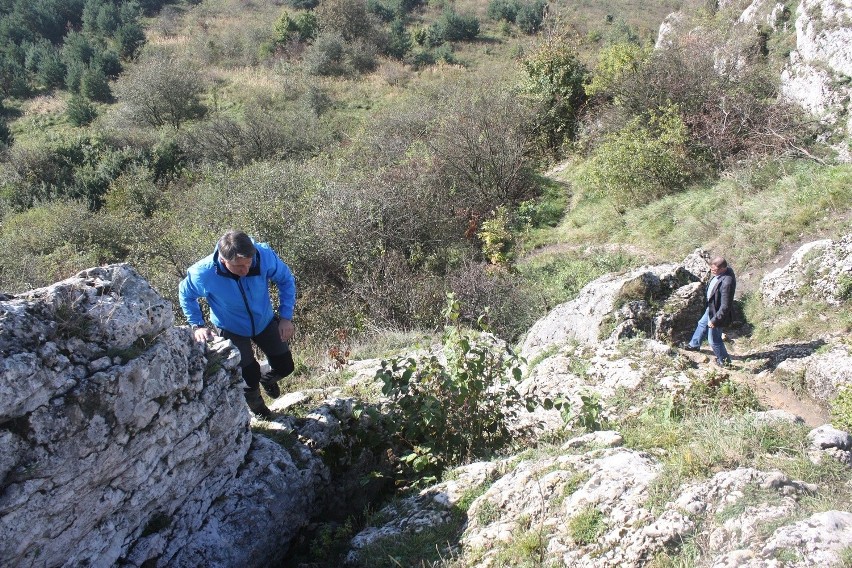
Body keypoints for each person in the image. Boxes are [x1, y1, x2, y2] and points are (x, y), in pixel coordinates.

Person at [179, 230, 296, 418]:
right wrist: (197, 324)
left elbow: (286, 280)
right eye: (239, 266)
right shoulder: (204, 272)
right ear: (224, 260)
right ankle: (260, 411)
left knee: (285, 367)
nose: (246, 270)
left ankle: (266, 378)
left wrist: (285, 317)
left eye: (249, 263)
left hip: (264, 321)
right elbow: (186, 294)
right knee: (249, 377)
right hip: (231, 327)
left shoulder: (263, 255)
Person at [684, 256, 736, 367]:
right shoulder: (724, 272)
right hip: (712, 307)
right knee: (702, 324)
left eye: (715, 270)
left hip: (717, 313)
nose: (712, 272)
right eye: (711, 269)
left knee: (714, 340)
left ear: (723, 269)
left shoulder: (727, 282)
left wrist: (715, 320)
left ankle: (725, 362)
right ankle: (694, 344)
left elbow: (725, 306)